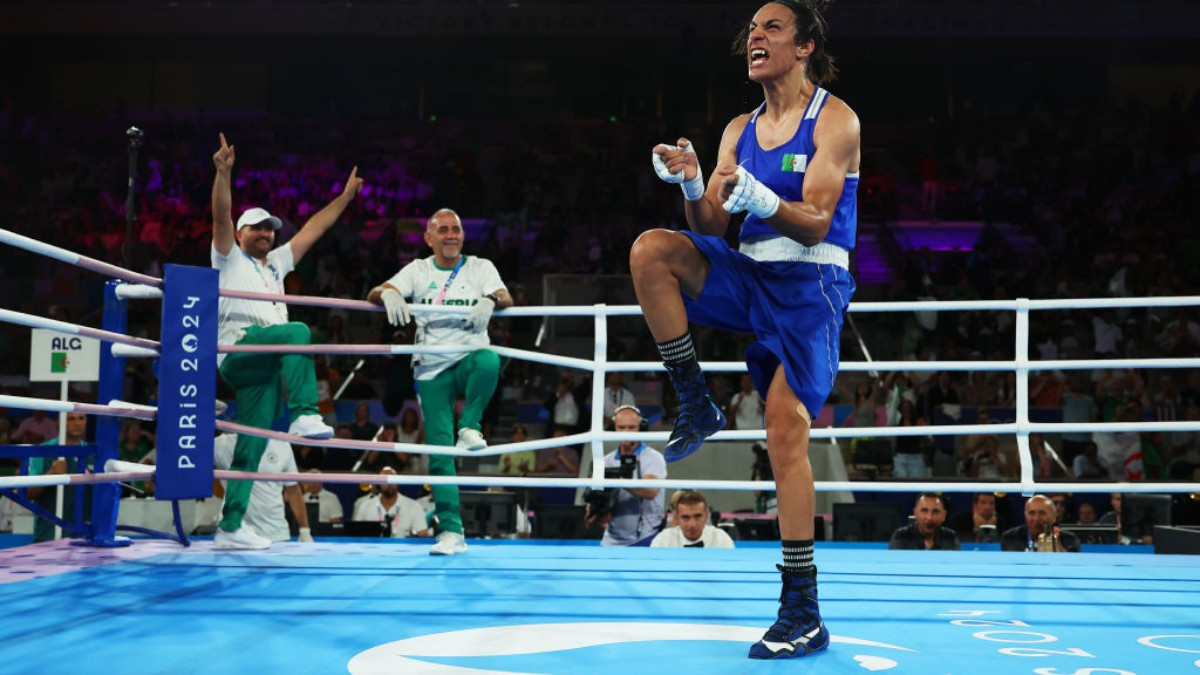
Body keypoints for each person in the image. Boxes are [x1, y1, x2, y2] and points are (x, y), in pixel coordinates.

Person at [630, 0, 858, 659]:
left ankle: (802, 607)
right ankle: (694, 399)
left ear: (805, 46)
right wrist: (695, 178)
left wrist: (758, 196)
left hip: (811, 285)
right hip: (751, 272)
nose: (755, 38)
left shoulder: (836, 120)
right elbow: (708, 225)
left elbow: (816, 219)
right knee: (652, 250)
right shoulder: (740, 127)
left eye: (772, 28)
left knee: (785, 425)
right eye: (751, 31)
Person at [209, 133, 362, 550]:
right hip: (240, 351)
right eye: (257, 227)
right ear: (241, 234)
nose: (265, 233)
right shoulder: (227, 255)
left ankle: (231, 526)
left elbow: (315, 227)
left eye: (270, 229)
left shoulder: (276, 264)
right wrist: (223, 173)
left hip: (267, 365)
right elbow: (221, 217)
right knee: (299, 330)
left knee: (253, 443)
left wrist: (346, 198)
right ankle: (306, 412)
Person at [366, 207, 512, 556]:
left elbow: (506, 295)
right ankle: (451, 532)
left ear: (463, 235)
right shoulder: (417, 270)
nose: (451, 234)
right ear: (428, 238)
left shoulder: (480, 266)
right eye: (443, 229)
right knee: (439, 451)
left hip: (468, 356)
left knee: (490, 359)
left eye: (456, 229)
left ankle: (471, 426)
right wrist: (389, 294)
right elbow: (376, 291)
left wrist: (491, 300)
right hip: (431, 367)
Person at [585, 406, 667, 546]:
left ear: (640, 428)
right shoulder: (605, 461)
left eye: (631, 427)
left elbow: (651, 491)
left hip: (646, 537)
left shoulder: (653, 458)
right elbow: (594, 500)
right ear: (614, 428)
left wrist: (617, 480)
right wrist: (596, 511)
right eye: (621, 427)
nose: (626, 432)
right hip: (611, 539)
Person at [212, 434, 311, 548]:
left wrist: (304, 530)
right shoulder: (222, 444)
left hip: (276, 534)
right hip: (236, 537)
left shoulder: (281, 444)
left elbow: (293, 489)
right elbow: (194, 462)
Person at [26, 412, 88, 542]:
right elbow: (28, 492)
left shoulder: (94, 453)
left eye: (81, 418)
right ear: (59, 422)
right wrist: (51, 474)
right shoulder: (43, 451)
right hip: (49, 534)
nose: (77, 423)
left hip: (86, 536)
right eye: (70, 419)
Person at [351, 467, 429, 539]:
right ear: (379, 483)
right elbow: (356, 534)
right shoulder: (365, 506)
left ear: (398, 482)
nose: (389, 483)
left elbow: (422, 534)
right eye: (385, 480)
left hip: (403, 550)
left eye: (392, 479)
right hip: (374, 549)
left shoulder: (413, 506)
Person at [650, 489, 735, 548]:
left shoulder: (721, 539)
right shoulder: (662, 541)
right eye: (685, 517)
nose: (692, 524)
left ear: (706, 516)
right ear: (677, 518)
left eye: (698, 516)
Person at [1000, 494, 1081, 552]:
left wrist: (1056, 544)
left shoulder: (1069, 539)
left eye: (1042, 513)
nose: (1036, 518)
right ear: (1025, 516)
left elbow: (1071, 567)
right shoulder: (1011, 537)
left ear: (1054, 516)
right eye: (1031, 513)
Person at [888, 493, 960, 550]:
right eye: (924, 511)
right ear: (915, 513)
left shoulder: (950, 537)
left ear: (944, 515)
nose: (929, 517)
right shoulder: (901, 536)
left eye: (935, 511)